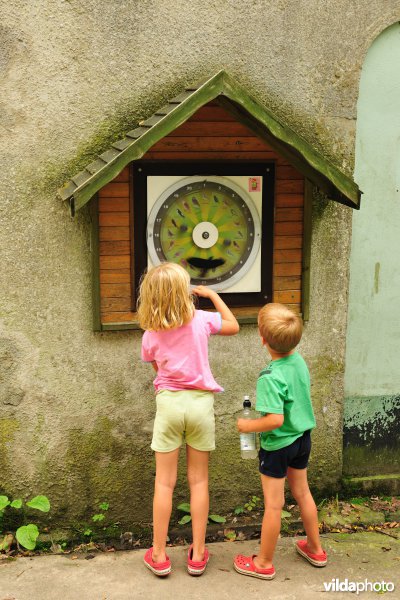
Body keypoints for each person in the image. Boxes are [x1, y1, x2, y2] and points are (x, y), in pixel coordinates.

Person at [137, 262, 239, 577]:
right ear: (185, 293)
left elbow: (156, 367)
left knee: (164, 483)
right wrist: (211, 295)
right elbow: (232, 324)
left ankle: (158, 554)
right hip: (200, 405)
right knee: (199, 481)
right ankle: (196, 553)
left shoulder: (150, 333)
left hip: (169, 404)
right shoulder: (201, 320)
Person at [234, 303, 327, 580]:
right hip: (302, 438)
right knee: (303, 493)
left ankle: (263, 563)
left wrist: (247, 425)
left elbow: (274, 419)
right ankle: (315, 548)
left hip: (278, 446)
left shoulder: (270, 376)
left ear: (262, 339)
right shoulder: (298, 361)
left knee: (274, 505)